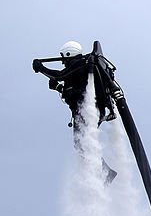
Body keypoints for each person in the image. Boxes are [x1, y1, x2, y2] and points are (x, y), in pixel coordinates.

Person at [33, 41, 117, 182]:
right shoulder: (79, 71)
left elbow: (60, 75)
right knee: (82, 145)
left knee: (82, 144)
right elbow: (74, 94)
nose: (63, 61)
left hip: (88, 111)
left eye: (63, 57)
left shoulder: (78, 65)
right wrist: (59, 88)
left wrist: (41, 68)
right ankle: (104, 172)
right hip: (88, 111)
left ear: (68, 53)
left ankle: (105, 173)